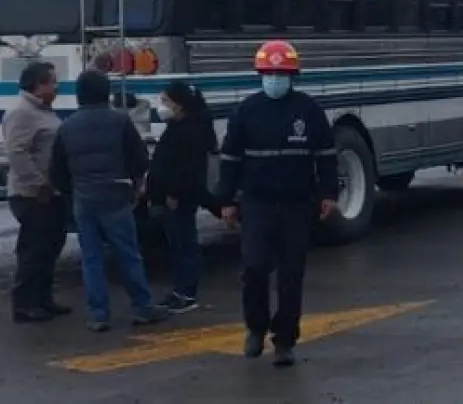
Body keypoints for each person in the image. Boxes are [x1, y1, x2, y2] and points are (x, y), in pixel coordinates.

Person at [216, 39, 339, 368]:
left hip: (297, 205)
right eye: (268, 72)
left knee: (291, 274)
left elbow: (326, 156)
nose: (274, 78)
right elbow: (230, 159)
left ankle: (285, 340)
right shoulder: (247, 111)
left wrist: (328, 194)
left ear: (292, 75)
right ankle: (255, 327)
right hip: (257, 204)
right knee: (254, 268)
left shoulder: (308, 111)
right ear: (260, 74)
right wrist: (226, 200)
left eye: (280, 73)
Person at [50, 69, 169, 332]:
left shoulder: (66, 126)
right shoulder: (120, 121)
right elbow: (139, 159)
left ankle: (98, 315)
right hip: (116, 194)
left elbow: (57, 171)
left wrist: (73, 191)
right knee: (128, 253)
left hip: (84, 196)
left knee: (91, 258)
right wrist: (137, 185)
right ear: (106, 92)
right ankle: (142, 307)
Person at [1, 61, 70, 323]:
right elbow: (17, 153)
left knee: (50, 247)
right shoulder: (22, 113)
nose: (56, 87)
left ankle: (43, 299)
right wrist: (39, 184)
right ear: (38, 85)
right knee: (33, 249)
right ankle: (24, 304)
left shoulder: (43, 111)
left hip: (53, 193)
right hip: (32, 195)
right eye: (52, 81)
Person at [147, 80, 215, 314]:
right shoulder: (179, 125)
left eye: (166, 101)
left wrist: (174, 193)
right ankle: (179, 291)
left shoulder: (190, 130)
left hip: (180, 198)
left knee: (185, 244)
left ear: (180, 104)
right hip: (172, 197)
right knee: (177, 245)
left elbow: (187, 168)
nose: (162, 106)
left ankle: (187, 293)